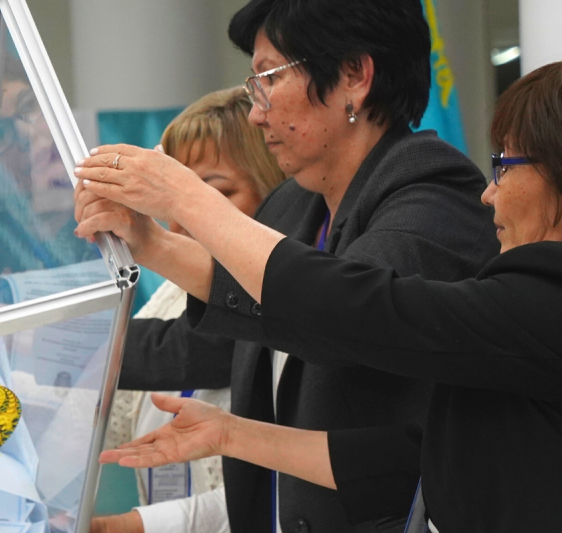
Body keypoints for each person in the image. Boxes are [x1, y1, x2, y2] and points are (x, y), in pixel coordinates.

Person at [80, 51, 562, 533]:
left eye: (505, 166)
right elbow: (417, 460)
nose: (488, 195)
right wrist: (231, 434)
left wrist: (184, 199)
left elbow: (364, 313)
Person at [80, 1, 497, 532]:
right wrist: (150, 242)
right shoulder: (293, 205)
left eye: (268, 80)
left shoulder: (435, 192)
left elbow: (345, 316)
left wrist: (187, 199)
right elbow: (240, 321)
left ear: (354, 76)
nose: (257, 112)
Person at [91, 86, 285, 533]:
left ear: (278, 198)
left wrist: (131, 527)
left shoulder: (293, 316)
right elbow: (105, 410)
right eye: (169, 198)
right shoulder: (172, 295)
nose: (180, 222)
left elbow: (194, 349)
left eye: (210, 195)